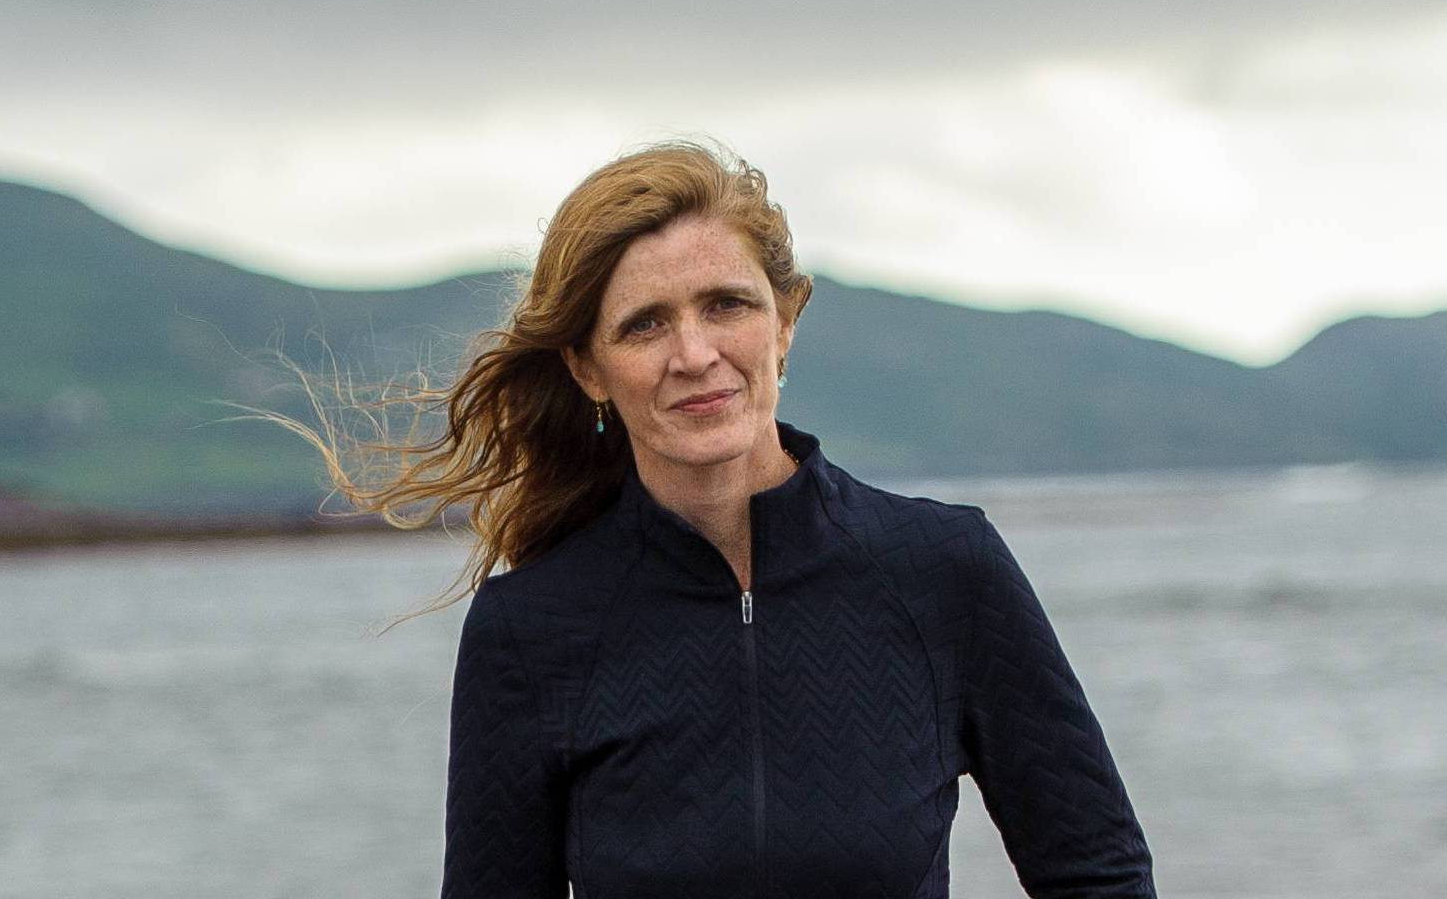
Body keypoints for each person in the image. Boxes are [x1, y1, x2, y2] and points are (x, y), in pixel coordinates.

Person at [268, 139, 1157, 896]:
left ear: (785, 324)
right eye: (645, 325)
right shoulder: (532, 630)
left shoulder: (943, 569)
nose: (695, 355)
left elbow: (1098, 874)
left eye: (727, 305)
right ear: (587, 368)